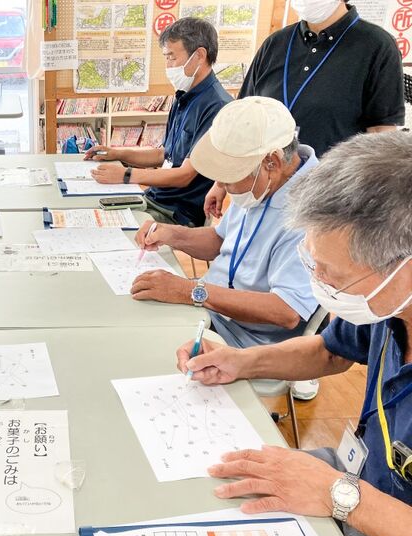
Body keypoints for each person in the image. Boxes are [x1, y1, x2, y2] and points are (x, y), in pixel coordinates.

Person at [177, 131, 412, 536]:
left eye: (331, 272)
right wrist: (240, 361)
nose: (317, 281)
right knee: (208, 485)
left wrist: (341, 495)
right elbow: (329, 352)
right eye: (312, 263)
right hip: (358, 485)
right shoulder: (389, 306)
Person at [133, 97, 318, 348]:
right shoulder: (262, 184)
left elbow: (286, 311)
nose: (221, 185)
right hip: (209, 312)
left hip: (244, 341)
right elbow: (221, 241)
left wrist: (190, 291)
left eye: (230, 176)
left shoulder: (312, 213)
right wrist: (171, 235)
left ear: (272, 163)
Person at [204, 0, 404, 218]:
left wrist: (373, 208)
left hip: (328, 201)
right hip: (261, 191)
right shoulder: (276, 43)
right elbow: (243, 116)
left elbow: (381, 135)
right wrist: (220, 183)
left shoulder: (377, 46)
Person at [83, 18, 232, 228]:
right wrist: (118, 153)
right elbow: (164, 154)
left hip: (177, 213)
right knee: (91, 210)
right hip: (155, 199)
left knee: (103, 226)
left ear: (199, 55)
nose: (168, 66)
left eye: (172, 57)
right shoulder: (184, 96)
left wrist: (126, 175)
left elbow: (184, 176)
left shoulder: (218, 107)